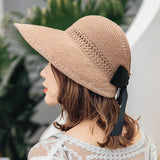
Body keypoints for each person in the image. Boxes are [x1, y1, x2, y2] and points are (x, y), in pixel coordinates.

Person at [14, 15, 157, 160]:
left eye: (54, 63)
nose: (43, 73)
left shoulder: (52, 153)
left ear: (75, 77)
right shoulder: (144, 144)